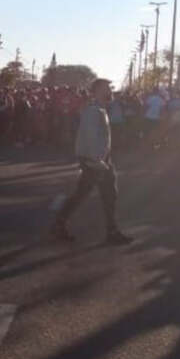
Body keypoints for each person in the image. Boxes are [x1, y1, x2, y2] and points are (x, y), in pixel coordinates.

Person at [51, 78, 132, 245]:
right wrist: (98, 162)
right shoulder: (93, 111)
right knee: (90, 194)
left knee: (106, 194)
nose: (110, 91)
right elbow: (92, 137)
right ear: (96, 91)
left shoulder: (99, 110)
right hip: (95, 161)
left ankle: (111, 231)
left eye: (110, 87)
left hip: (100, 160)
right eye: (106, 88)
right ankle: (59, 225)